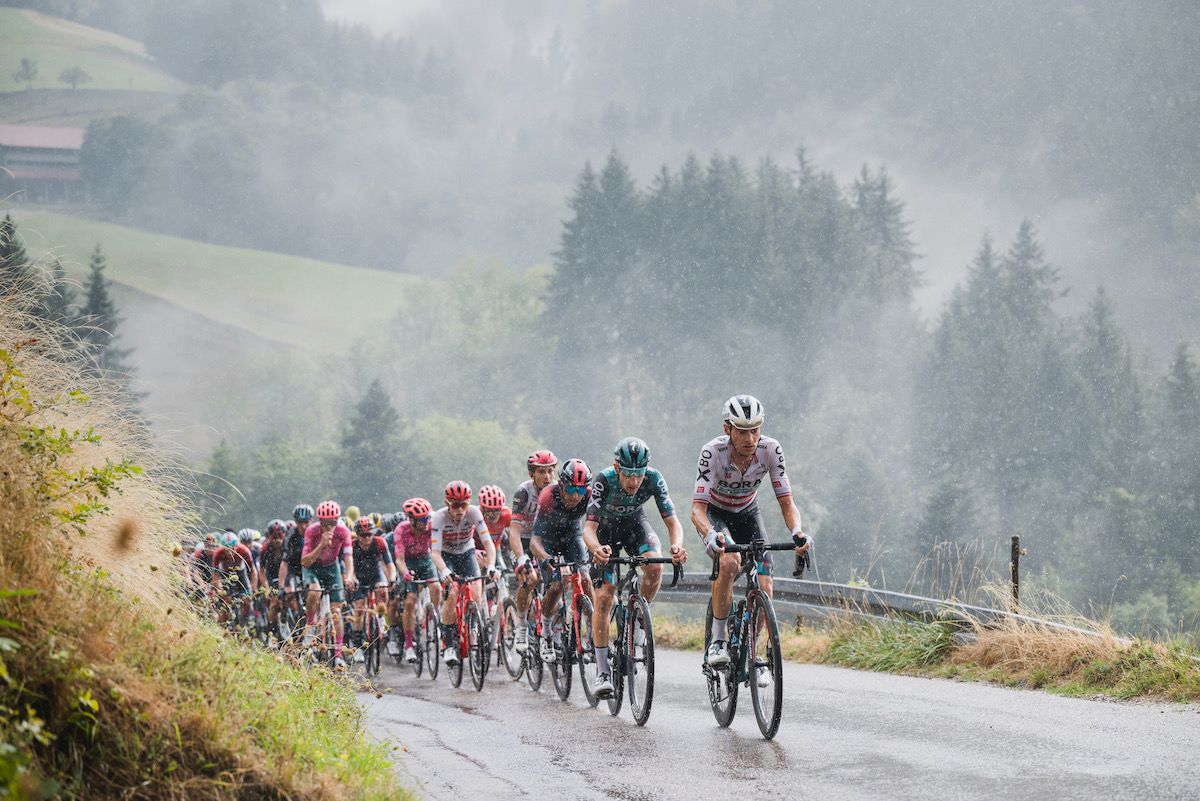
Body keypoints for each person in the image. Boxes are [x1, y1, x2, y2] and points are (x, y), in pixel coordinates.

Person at [691, 394, 810, 671]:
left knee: (765, 581)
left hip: (748, 513)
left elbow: (786, 502)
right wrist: (710, 534)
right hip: (715, 514)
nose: (750, 438)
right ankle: (718, 639)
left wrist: (797, 532)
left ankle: (752, 648)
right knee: (730, 562)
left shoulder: (771, 450)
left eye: (755, 430)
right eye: (742, 432)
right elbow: (697, 510)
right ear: (727, 430)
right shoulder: (712, 452)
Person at [582, 437, 688, 696]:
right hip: (603, 533)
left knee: (655, 565)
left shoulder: (653, 478)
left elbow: (673, 522)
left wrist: (677, 546)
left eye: (638, 474)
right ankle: (602, 671)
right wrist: (596, 548)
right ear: (617, 468)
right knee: (605, 597)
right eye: (628, 474)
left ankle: (639, 619)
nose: (633, 481)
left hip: (633, 526)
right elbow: (589, 528)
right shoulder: (603, 480)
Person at [528, 458, 595, 664]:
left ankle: (593, 637)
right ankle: (547, 633)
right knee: (556, 587)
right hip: (548, 541)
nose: (576, 495)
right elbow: (534, 541)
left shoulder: (589, 496)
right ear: (561, 484)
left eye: (581, 490)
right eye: (571, 489)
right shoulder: (548, 496)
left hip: (572, 537)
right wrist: (545, 557)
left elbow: (595, 527)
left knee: (584, 578)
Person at [431, 481, 497, 665]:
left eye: (464, 504)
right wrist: (444, 571)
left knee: (476, 589)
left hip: (467, 552)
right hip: (446, 554)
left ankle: (473, 627)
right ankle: (449, 644)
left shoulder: (474, 513)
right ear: (447, 504)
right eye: (455, 505)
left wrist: (491, 565)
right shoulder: (438, 518)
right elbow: (434, 553)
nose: (460, 509)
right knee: (452, 592)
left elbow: (488, 543)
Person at [508, 450, 557, 653]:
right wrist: (521, 559)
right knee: (531, 578)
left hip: (544, 541)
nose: (547, 476)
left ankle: (552, 631)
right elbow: (514, 531)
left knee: (556, 583)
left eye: (550, 471)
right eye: (541, 472)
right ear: (531, 474)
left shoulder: (557, 491)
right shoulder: (524, 492)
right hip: (523, 541)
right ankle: (521, 625)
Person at [300, 500, 357, 670]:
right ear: (320, 521)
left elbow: (348, 557)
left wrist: (348, 577)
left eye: (333, 522)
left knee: (336, 613)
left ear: (338, 520)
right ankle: (310, 627)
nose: (329, 527)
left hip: (332, 567)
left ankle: (338, 654)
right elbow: (304, 561)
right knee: (315, 592)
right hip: (313, 567)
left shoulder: (343, 531)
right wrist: (321, 544)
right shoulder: (312, 531)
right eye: (325, 523)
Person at [392, 497, 441, 663]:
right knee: (410, 601)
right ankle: (408, 646)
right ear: (411, 520)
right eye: (423, 519)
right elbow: (399, 559)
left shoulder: (431, 525)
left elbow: (440, 547)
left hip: (426, 559)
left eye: (428, 517)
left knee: (436, 587)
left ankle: (433, 620)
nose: (427, 521)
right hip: (408, 561)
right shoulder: (401, 530)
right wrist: (405, 573)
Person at [349, 515, 396, 663]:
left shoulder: (379, 542)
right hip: (359, 576)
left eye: (370, 534)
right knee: (359, 609)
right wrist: (352, 579)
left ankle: (381, 618)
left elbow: (389, 564)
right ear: (357, 535)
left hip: (376, 574)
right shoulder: (352, 545)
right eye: (363, 535)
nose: (367, 538)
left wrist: (392, 578)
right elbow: (349, 567)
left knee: (383, 590)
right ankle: (357, 647)